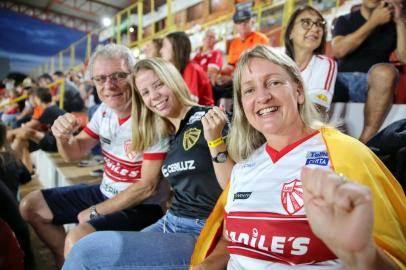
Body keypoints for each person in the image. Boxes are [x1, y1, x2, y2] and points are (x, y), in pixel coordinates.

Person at [190, 45, 406, 269]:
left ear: (299, 92)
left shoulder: (347, 154)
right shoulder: (244, 167)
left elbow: (395, 256)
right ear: (243, 106)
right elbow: (231, 240)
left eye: (273, 82)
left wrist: (362, 253)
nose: (262, 96)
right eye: (249, 90)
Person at [62, 57, 234, 270]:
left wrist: (223, 249)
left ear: (174, 81)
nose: (154, 96)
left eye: (159, 85)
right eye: (145, 92)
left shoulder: (210, 118)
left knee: (87, 252)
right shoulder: (167, 132)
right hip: (170, 222)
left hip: (201, 229)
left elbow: (240, 183)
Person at [19, 44, 168, 268]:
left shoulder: (152, 116)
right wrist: (62, 136)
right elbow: (74, 153)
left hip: (143, 206)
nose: (109, 86)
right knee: (31, 206)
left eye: (118, 75)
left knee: (78, 239)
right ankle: (64, 260)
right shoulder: (104, 110)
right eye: (100, 79)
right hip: (105, 192)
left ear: (134, 74)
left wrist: (97, 211)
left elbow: (147, 186)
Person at [332, 0, 406, 143]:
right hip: (342, 80)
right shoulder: (345, 20)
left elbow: (404, 57)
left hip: (376, 83)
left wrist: (399, 21)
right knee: (322, 76)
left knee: (385, 72)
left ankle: (366, 142)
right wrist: (373, 22)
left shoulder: (392, 26)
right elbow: (339, 50)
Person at [285, 5, 337, 112]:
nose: (315, 28)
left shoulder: (326, 64)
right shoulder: (274, 63)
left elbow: (316, 111)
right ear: (291, 32)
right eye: (306, 23)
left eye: (319, 24)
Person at [214, 8, 269, 108]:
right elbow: (231, 65)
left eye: (245, 21)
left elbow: (264, 65)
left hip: (253, 77)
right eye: (239, 22)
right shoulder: (234, 43)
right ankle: (225, 116)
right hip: (236, 79)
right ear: (235, 26)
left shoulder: (261, 38)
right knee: (217, 88)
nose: (242, 24)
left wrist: (233, 77)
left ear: (252, 21)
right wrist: (219, 74)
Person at [7, 87, 65, 172]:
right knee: (22, 139)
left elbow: (31, 126)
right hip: (57, 141)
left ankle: (9, 167)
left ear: (38, 98)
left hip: (56, 143)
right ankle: (27, 171)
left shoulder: (49, 110)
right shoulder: (54, 108)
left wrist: (12, 132)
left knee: (24, 134)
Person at [161, 31, 214, 106]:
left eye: (164, 46)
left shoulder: (191, 68)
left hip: (204, 115)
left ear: (176, 47)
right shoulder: (181, 70)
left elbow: (190, 103)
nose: (161, 51)